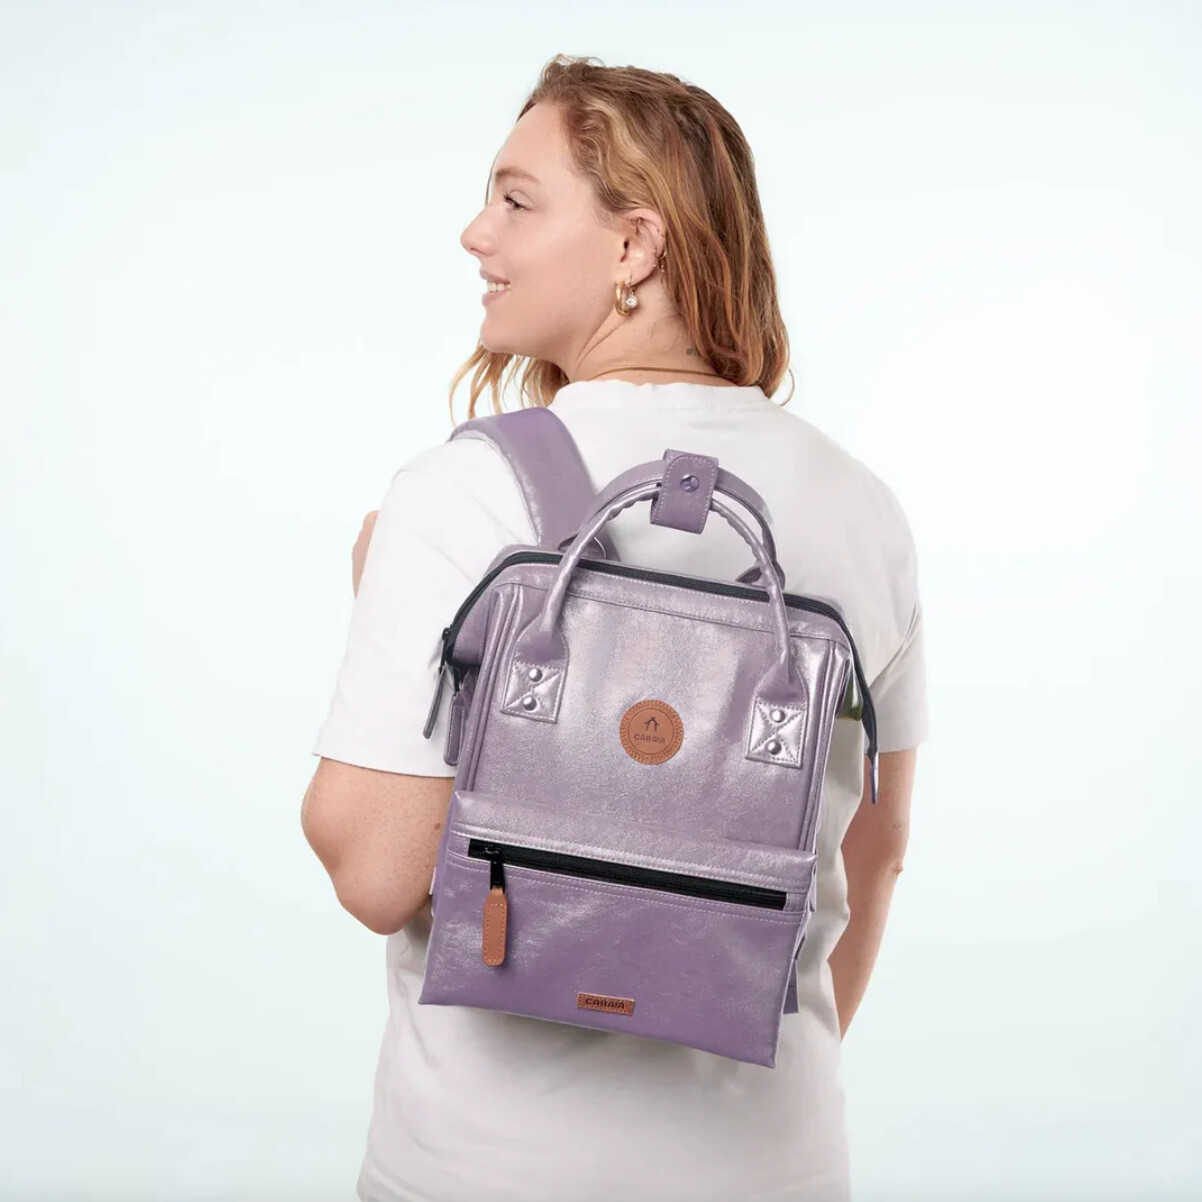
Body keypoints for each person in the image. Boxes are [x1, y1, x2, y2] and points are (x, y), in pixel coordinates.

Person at [302, 54, 928, 1202]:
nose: (474, 234)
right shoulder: (861, 509)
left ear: (633, 245)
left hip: (485, 1169)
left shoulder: (463, 494)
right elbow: (873, 852)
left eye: (515, 200)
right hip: (771, 1166)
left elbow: (374, 869)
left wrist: (380, 602)